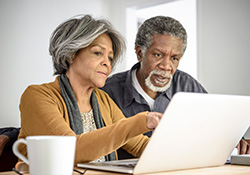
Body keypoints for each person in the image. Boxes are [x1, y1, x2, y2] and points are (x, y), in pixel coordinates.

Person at [17, 14, 162, 165]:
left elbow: (139, 145)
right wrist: (140, 121)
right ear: (70, 55)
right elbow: (70, 151)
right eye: (98, 53)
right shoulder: (37, 96)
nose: (107, 63)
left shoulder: (103, 100)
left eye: (110, 58)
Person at [102, 16, 250, 159]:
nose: (166, 66)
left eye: (174, 58)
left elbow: (219, 121)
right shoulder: (108, 91)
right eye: (158, 55)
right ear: (140, 53)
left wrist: (234, 139)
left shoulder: (186, 85)